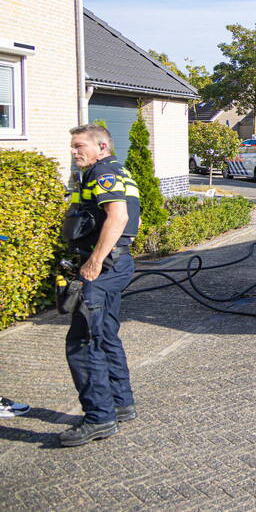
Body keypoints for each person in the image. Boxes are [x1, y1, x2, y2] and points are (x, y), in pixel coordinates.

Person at [62, 124, 140, 447]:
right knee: (106, 333)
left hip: (103, 268)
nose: (74, 151)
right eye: (73, 146)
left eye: (80, 146)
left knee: (83, 341)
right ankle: (121, 403)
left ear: (102, 146)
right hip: (117, 263)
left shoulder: (102, 172)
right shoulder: (115, 170)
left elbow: (118, 217)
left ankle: (99, 418)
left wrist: (93, 263)